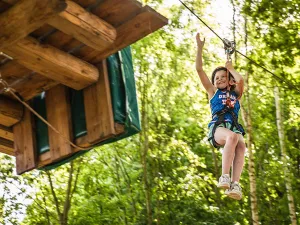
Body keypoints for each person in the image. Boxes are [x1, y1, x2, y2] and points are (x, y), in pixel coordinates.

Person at [195, 33, 246, 200]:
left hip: (233, 126)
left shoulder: (236, 94)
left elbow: (240, 80)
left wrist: (230, 69)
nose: (219, 79)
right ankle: (225, 176)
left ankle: (235, 185)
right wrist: (200, 48)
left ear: (229, 81)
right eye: (216, 78)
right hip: (218, 127)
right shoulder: (213, 92)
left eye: (223, 77)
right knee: (232, 137)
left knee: (242, 145)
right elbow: (199, 70)